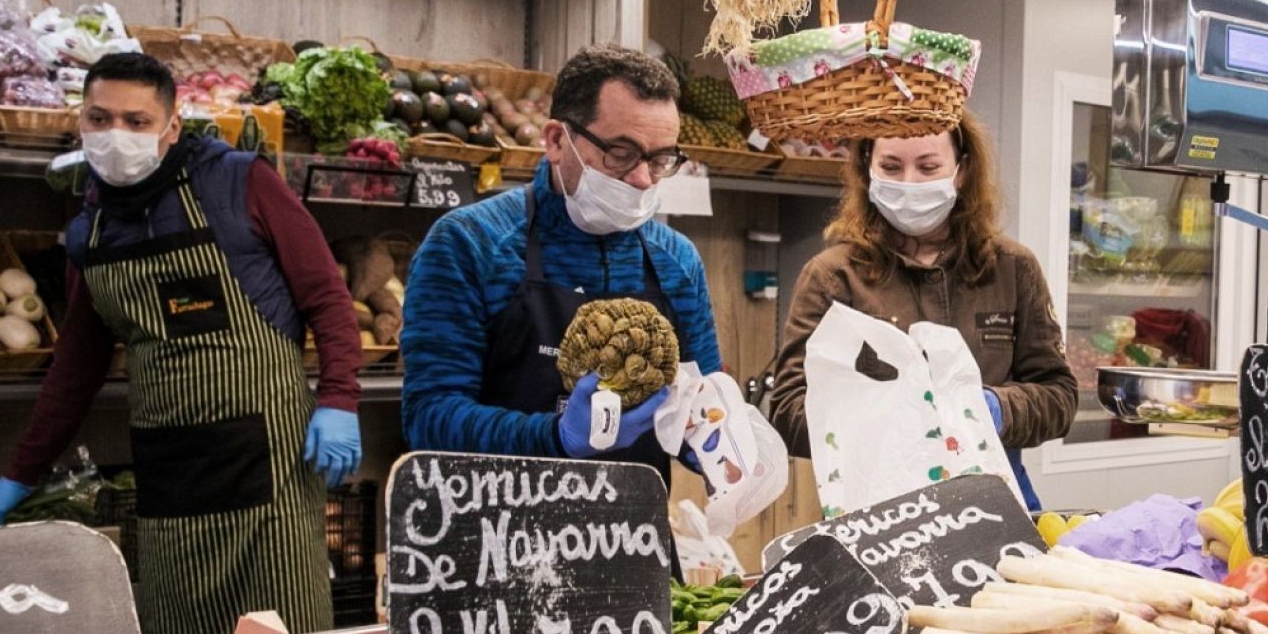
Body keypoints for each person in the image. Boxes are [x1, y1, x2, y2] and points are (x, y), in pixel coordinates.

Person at [0, 53, 361, 634]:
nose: (116, 135)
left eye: (136, 121)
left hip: (270, 467)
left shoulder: (240, 183)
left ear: (172, 126)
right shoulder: (90, 232)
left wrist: (339, 397)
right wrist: (23, 471)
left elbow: (327, 299)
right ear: (80, 121)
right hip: (170, 473)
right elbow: (77, 365)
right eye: (100, 118)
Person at [401, 45, 722, 481]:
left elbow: (699, 407)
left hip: (628, 536)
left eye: (661, 158)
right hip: (496, 535)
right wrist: (554, 438)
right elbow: (429, 416)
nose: (643, 178)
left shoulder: (676, 261)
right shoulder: (469, 244)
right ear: (556, 141)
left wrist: (719, 445)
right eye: (622, 153)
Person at [768, 111, 1076, 510]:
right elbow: (789, 410)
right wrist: (893, 420)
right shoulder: (832, 277)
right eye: (891, 167)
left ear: (962, 170)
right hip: (878, 513)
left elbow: (1060, 397)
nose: (909, 183)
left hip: (997, 501)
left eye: (928, 167)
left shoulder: (1012, 268)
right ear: (868, 168)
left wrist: (991, 410)